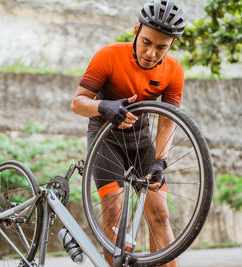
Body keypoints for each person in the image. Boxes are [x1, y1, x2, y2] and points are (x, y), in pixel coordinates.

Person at [71, 0, 186, 266]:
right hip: (106, 140)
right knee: (114, 216)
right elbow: (77, 102)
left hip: (142, 142)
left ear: (172, 45)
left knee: (160, 216)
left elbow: (167, 121)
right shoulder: (109, 56)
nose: (151, 52)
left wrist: (161, 159)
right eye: (146, 41)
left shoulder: (174, 71)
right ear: (136, 31)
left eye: (161, 47)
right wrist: (104, 106)